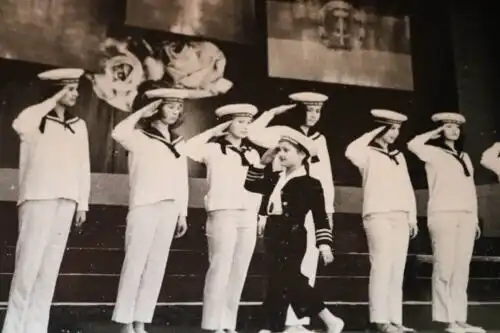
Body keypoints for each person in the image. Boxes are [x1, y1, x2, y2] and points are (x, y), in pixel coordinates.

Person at [2, 68, 91, 333]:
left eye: (76, 89)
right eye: (69, 89)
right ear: (55, 91)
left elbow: (82, 166)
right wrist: (53, 100)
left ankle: (36, 327)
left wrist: (82, 203)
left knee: (49, 268)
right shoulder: (35, 120)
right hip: (38, 198)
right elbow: (19, 123)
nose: (75, 94)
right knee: (28, 266)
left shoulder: (79, 125)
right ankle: (14, 328)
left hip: (67, 200)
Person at [243, 126, 344, 333]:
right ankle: (280, 326)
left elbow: (320, 216)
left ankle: (277, 327)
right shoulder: (274, 178)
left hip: (293, 235)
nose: (281, 154)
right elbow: (250, 184)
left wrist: (324, 244)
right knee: (278, 281)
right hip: (273, 234)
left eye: (286, 150)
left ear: (302, 155)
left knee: (289, 280)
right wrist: (263, 162)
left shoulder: (311, 183)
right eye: (279, 149)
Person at [110, 89, 190, 333]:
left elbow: (181, 179)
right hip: (144, 205)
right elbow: (117, 132)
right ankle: (125, 322)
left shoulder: (178, 141)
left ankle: (141, 320)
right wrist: (144, 111)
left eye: (178, 107)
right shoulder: (138, 136)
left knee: (156, 266)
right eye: (170, 106)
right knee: (135, 264)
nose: (176, 111)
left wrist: (182, 212)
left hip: (169, 207)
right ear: (156, 107)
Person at [183, 103, 263, 333]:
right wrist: (214, 132)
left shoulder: (253, 152)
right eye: (239, 121)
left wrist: (258, 214)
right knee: (220, 268)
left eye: (248, 122)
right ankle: (213, 325)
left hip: (247, 214)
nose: (245, 127)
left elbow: (257, 186)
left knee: (239, 271)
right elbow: (189, 147)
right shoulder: (212, 148)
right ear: (227, 124)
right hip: (222, 212)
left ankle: (229, 324)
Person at [407, 112, 484, 333]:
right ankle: (447, 320)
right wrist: (434, 133)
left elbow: (470, 190)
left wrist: (475, 217)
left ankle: (460, 318)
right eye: (448, 127)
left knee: (461, 270)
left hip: (466, 216)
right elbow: (413, 144)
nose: (454, 131)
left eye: (456, 127)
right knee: (445, 268)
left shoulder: (464, 156)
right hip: (443, 214)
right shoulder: (432, 152)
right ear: (441, 130)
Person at [344, 109, 417, 333]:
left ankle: (395, 319)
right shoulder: (366, 153)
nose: (394, 133)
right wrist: (374, 131)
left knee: (397, 269)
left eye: (397, 129)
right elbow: (349, 151)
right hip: (378, 215)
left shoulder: (398, 156)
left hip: (400, 215)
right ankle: (380, 320)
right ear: (380, 128)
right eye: (390, 128)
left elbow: (407, 187)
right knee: (382, 266)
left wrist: (412, 216)